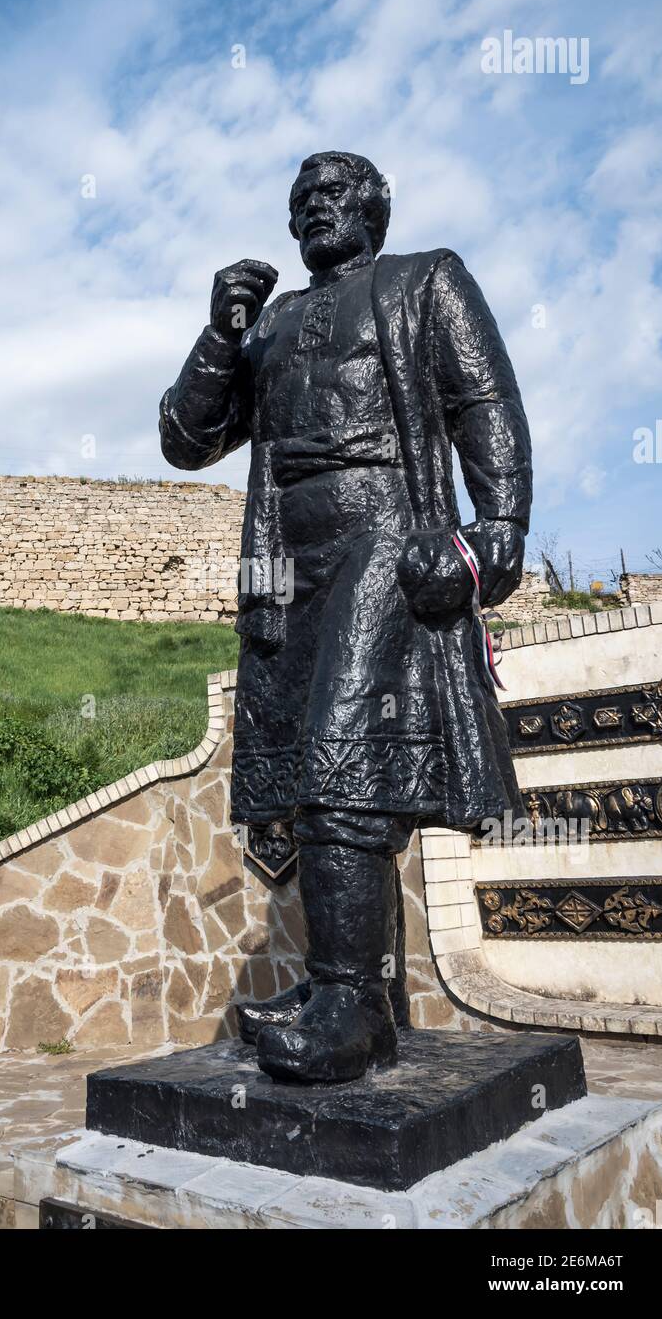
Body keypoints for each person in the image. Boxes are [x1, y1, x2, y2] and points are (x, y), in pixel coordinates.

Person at [159, 151, 532, 1083]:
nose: (314, 211)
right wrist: (217, 335)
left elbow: (485, 403)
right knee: (295, 767)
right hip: (285, 562)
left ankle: (342, 1005)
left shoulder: (425, 280)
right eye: (299, 203)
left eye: (332, 195)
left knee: (340, 757)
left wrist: (494, 536)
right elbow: (186, 440)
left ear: (374, 208)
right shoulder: (273, 322)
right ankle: (359, 998)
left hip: (384, 537)